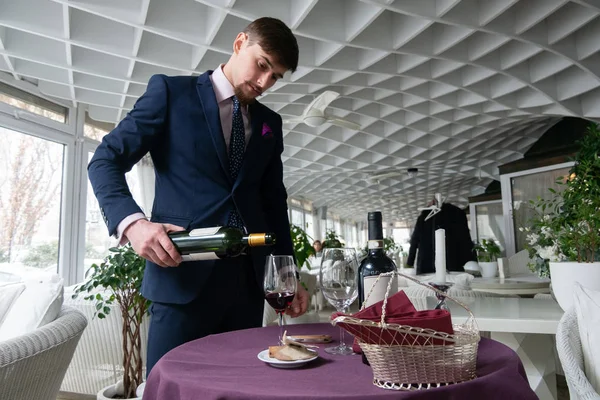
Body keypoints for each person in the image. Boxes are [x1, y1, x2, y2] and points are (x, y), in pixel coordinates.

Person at [88, 17, 309, 375]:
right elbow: (105, 160)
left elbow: (273, 204)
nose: (265, 82)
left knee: (241, 391)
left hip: (247, 291)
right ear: (239, 44)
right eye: (263, 65)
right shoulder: (170, 94)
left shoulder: (271, 123)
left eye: (276, 77)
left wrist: (287, 272)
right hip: (180, 281)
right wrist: (134, 225)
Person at [406, 198, 476, 275]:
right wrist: (471, 261)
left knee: (429, 286)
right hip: (455, 262)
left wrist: (410, 262)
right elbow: (466, 240)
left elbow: (414, 241)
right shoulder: (458, 213)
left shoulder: (423, 218)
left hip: (427, 264)